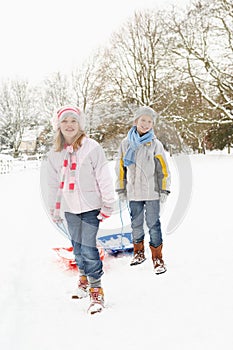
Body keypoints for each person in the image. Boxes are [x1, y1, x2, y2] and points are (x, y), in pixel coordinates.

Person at [47, 106, 114, 314]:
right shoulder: (55, 152)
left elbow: (103, 176)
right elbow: (52, 183)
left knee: (88, 248)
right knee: (77, 246)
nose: (69, 125)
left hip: (91, 207)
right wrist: (54, 208)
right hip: (69, 208)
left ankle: (96, 289)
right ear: (59, 125)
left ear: (80, 124)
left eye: (73, 121)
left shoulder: (92, 147)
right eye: (65, 121)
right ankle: (83, 278)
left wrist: (108, 203)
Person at [115, 106, 171, 274]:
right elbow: (120, 168)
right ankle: (138, 253)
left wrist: (164, 189)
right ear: (136, 121)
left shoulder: (155, 144)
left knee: (154, 225)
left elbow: (163, 169)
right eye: (143, 120)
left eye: (149, 121)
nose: (146, 124)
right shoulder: (125, 144)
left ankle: (157, 258)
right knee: (136, 224)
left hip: (152, 192)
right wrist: (121, 188)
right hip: (133, 192)